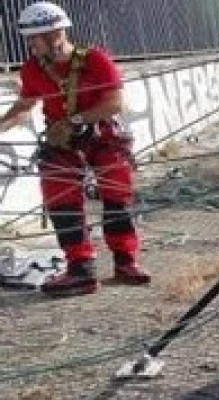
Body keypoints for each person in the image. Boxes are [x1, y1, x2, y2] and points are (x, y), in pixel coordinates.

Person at [0, 1, 149, 297]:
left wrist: (76, 120)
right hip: (62, 142)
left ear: (56, 34)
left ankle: (125, 262)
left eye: (34, 38)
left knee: (117, 199)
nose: (30, 45)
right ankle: (81, 271)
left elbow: (115, 103)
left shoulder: (96, 59)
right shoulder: (32, 69)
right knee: (61, 203)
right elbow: (25, 106)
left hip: (103, 136)